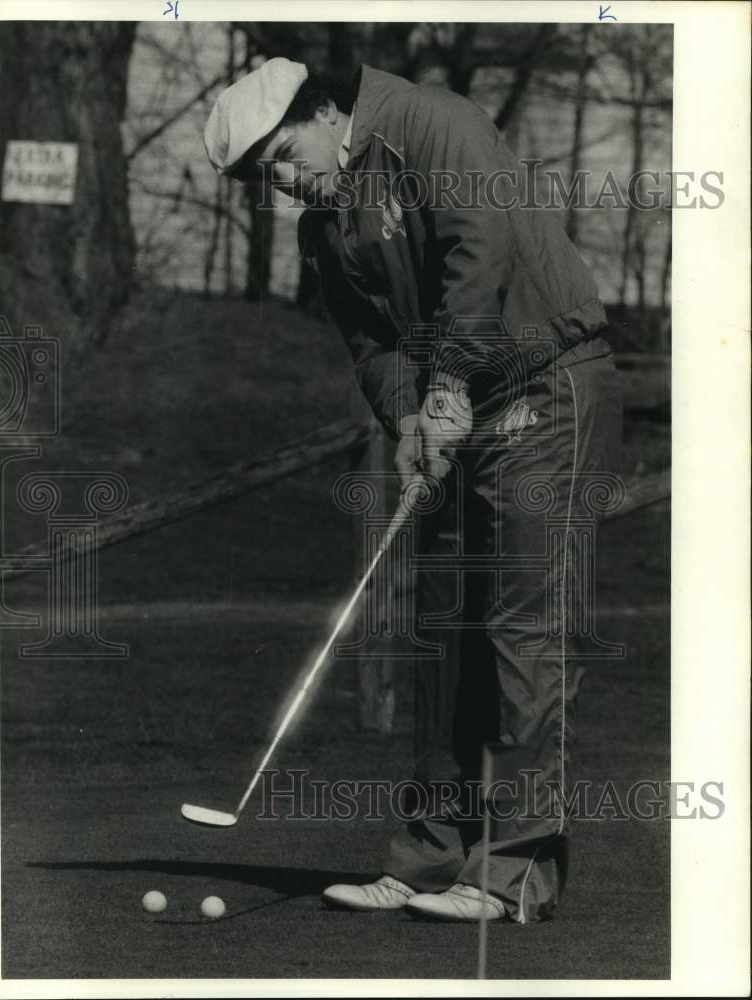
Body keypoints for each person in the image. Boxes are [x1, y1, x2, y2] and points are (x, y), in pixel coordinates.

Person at [204, 57, 623, 923]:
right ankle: (429, 859)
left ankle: (512, 875)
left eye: (280, 156)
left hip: (548, 386)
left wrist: (446, 390)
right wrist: (413, 422)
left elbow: (482, 245)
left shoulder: (432, 122)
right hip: (463, 408)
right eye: (260, 178)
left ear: (323, 112)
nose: (280, 183)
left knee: (520, 630)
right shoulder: (325, 223)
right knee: (451, 634)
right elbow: (371, 344)